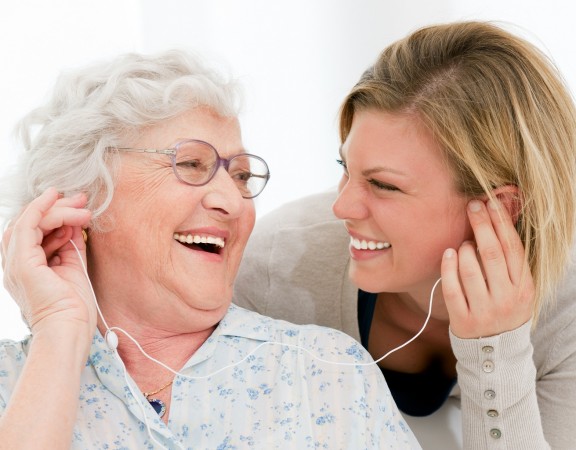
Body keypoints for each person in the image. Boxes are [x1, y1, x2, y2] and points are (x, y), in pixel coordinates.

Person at [0, 50, 421, 449]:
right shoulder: (11, 381)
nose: (233, 201)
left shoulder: (325, 372)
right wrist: (58, 330)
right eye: (191, 164)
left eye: (240, 176)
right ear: (84, 198)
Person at [234, 21, 576, 449]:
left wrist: (497, 349)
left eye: (384, 185)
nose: (341, 208)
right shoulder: (274, 269)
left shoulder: (567, 314)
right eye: (345, 169)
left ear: (500, 206)